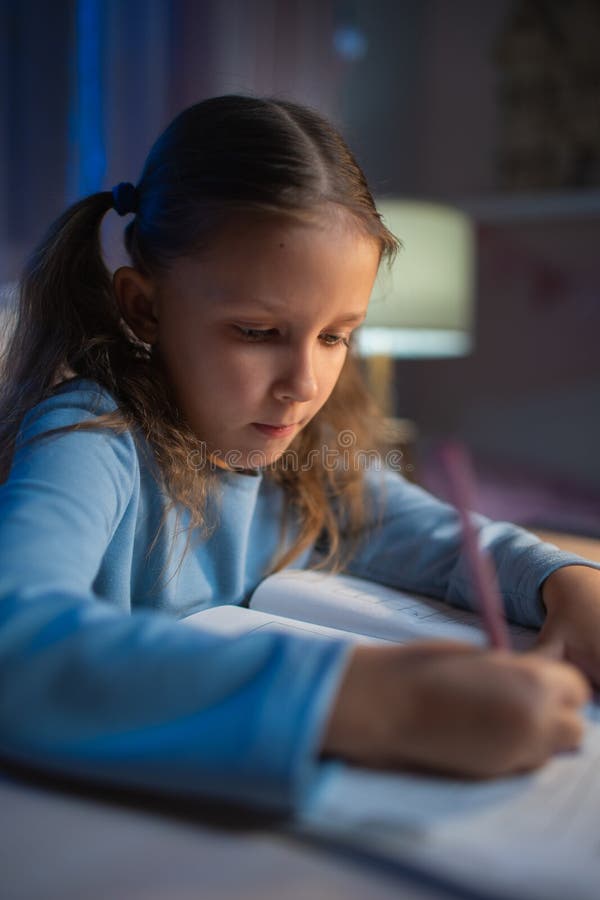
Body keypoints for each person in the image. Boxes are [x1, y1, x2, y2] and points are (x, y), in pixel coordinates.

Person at [0, 94, 598, 815]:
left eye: (335, 336)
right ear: (144, 307)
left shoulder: (303, 448)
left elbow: (421, 529)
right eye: (256, 332)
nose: (303, 385)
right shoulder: (91, 437)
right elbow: (15, 644)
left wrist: (564, 581)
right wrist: (377, 707)